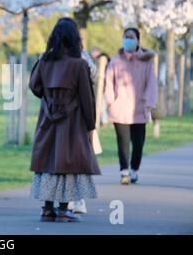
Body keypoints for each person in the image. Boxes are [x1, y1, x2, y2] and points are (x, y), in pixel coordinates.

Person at [29, 17, 100, 223]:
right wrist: (90, 124)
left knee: (48, 162)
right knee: (68, 163)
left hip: (48, 119)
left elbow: (34, 86)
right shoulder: (79, 64)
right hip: (72, 121)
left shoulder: (45, 61)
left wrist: (50, 99)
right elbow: (87, 98)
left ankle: (47, 208)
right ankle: (63, 208)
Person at [105, 27, 158, 185]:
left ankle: (134, 169)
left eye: (131, 37)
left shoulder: (146, 61)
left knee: (139, 143)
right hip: (119, 108)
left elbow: (152, 83)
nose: (128, 40)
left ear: (138, 40)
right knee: (123, 142)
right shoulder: (116, 60)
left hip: (139, 109)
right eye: (126, 37)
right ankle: (124, 171)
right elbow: (109, 82)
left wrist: (149, 103)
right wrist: (110, 100)